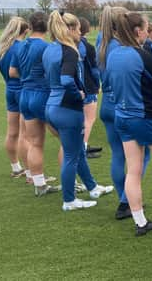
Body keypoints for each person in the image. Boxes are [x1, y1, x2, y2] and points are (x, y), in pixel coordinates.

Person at [106, 12, 152, 236]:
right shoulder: (142, 55)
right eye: (146, 29)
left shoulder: (112, 55)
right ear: (138, 31)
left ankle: (140, 222)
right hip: (145, 117)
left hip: (123, 117)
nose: (148, 33)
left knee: (134, 170)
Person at [42, 11, 113, 210]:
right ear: (71, 29)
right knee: (72, 155)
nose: (80, 34)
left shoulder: (50, 49)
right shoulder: (70, 50)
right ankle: (69, 200)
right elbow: (66, 80)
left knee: (77, 150)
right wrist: (79, 93)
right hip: (67, 108)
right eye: (79, 30)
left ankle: (92, 187)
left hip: (52, 105)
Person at [97, 6, 152, 220]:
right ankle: (125, 201)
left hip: (107, 104)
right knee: (142, 155)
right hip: (123, 103)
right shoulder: (119, 47)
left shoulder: (102, 42)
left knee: (118, 155)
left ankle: (125, 198)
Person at [16, 12, 61, 196]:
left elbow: (14, 70)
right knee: (66, 138)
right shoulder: (45, 47)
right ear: (47, 27)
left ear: (31, 26)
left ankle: (40, 184)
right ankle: (72, 182)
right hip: (40, 94)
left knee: (35, 142)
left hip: (24, 94)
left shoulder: (21, 46)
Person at [0, 16, 30, 178]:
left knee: (12, 132)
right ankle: (32, 173)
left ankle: (16, 167)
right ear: (25, 30)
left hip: (10, 89)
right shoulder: (21, 47)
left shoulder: (2, 48)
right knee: (26, 134)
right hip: (22, 90)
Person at [78, 17, 102, 158]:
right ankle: (83, 147)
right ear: (87, 29)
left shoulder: (70, 45)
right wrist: (98, 83)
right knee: (89, 118)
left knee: (82, 118)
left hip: (78, 86)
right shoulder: (88, 47)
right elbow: (94, 69)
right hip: (88, 86)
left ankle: (83, 145)